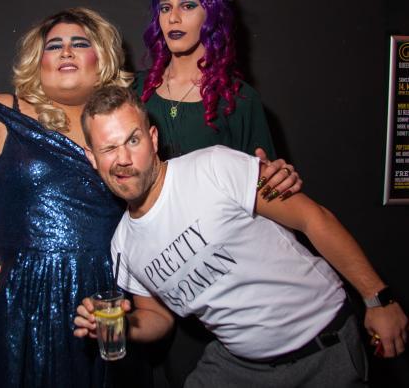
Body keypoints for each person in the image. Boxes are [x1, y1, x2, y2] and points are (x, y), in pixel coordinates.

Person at [75, 86, 408, 388]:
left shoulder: (213, 166)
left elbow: (312, 218)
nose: (123, 159)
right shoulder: (123, 245)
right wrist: (121, 324)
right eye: (109, 148)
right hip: (243, 366)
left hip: (320, 347)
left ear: (153, 138)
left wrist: (377, 298)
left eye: (133, 141)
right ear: (92, 158)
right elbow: (157, 317)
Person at [0, 8, 133, 387]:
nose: (66, 51)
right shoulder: (2, 113)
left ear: (102, 60)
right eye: (54, 45)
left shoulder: (124, 127)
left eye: (80, 43)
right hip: (20, 297)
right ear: (38, 61)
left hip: (101, 295)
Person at [136, 0, 302, 384]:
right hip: (157, 271)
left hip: (223, 276)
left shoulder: (239, 100)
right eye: (165, 7)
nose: (173, 17)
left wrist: (280, 179)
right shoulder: (135, 92)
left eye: (188, 5)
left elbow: (269, 197)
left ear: (210, 14)